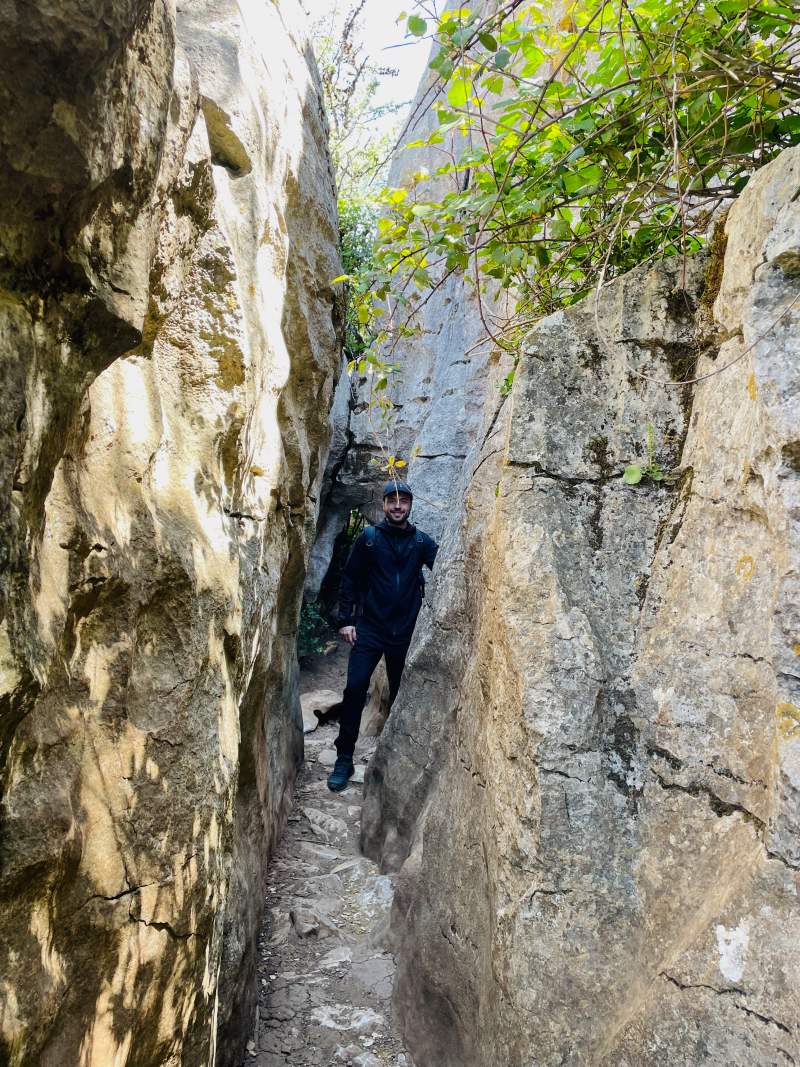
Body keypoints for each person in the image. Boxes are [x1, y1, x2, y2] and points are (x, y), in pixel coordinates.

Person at [326, 480, 438, 791]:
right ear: (384, 505)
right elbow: (350, 578)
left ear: (411, 505)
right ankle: (344, 758)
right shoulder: (370, 539)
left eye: (403, 501)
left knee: (403, 695)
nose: (398, 506)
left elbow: (446, 569)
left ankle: (398, 758)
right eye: (392, 501)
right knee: (354, 689)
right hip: (370, 629)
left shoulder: (421, 543)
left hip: (405, 632)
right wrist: (346, 621)